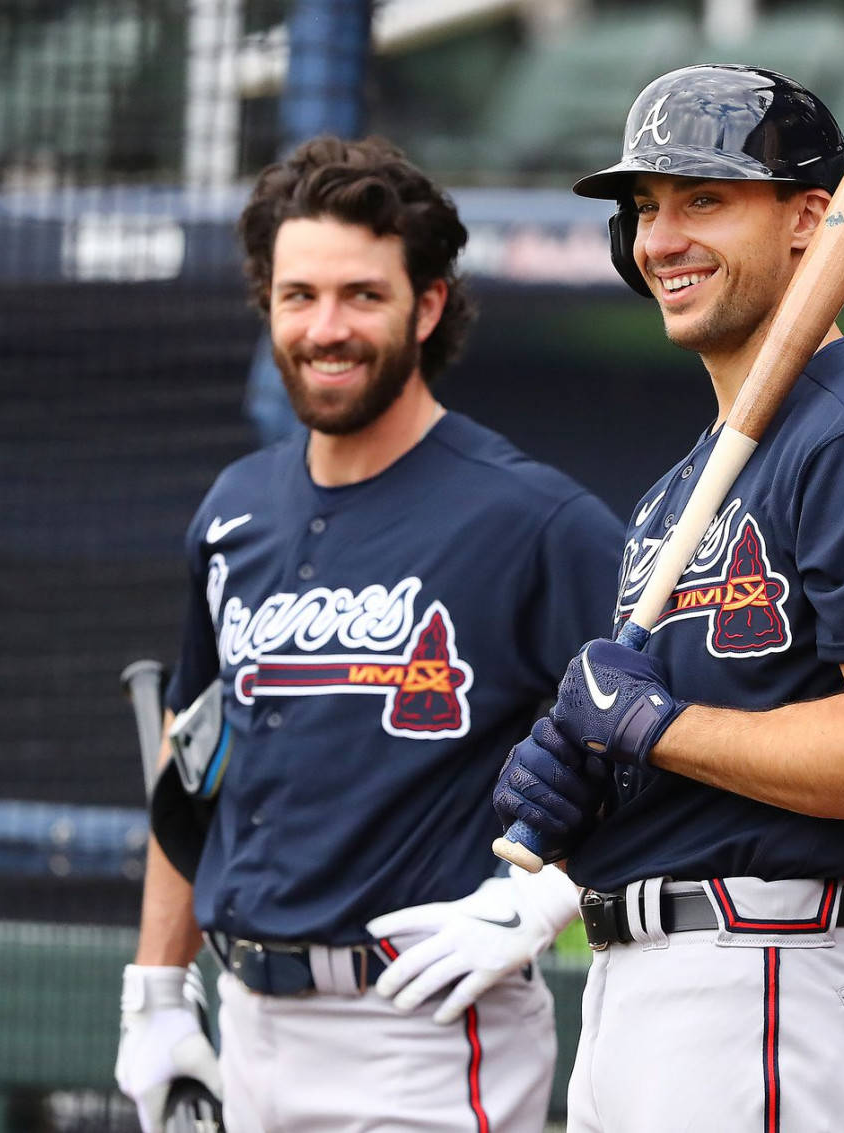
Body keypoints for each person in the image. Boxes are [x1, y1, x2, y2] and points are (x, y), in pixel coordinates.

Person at [493, 64, 844, 1133]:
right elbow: (708, 753)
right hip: (641, 985)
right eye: (644, 210)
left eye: (702, 200)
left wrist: (655, 727)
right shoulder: (678, 491)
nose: (658, 239)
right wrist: (590, 787)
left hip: (764, 978)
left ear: (811, 218)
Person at [114, 135, 625, 1133]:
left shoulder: (533, 520)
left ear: (426, 306)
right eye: (298, 295)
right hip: (248, 1014)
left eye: (361, 294)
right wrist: (156, 994)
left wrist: (550, 896)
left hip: (424, 1027)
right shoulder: (234, 509)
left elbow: (672, 741)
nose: (325, 327)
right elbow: (191, 770)